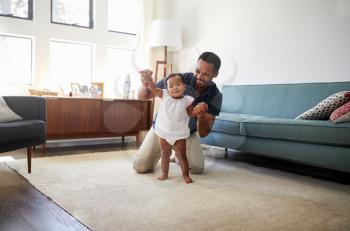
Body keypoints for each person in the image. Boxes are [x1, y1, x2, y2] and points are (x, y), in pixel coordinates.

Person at [134, 51, 222, 174]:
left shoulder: (216, 95)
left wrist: (201, 116)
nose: (199, 77)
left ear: (215, 74)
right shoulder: (178, 79)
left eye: (205, 74)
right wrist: (145, 85)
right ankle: (168, 152)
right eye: (197, 71)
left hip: (186, 134)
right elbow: (143, 96)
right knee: (140, 167)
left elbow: (203, 133)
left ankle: (177, 156)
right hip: (161, 130)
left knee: (197, 169)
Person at [147, 73, 208, 183]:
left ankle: (185, 175)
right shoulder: (164, 95)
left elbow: (192, 113)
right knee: (165, 154)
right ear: (167, 88)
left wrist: (199, 110)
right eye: (171, 86)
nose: (174, 87)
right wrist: (149, 80)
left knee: (181, 155)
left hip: (179, 134)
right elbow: (153, 88)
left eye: (178, 84)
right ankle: (164, 173)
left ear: (184, 87)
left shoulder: (187, 101)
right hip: (164, 132)